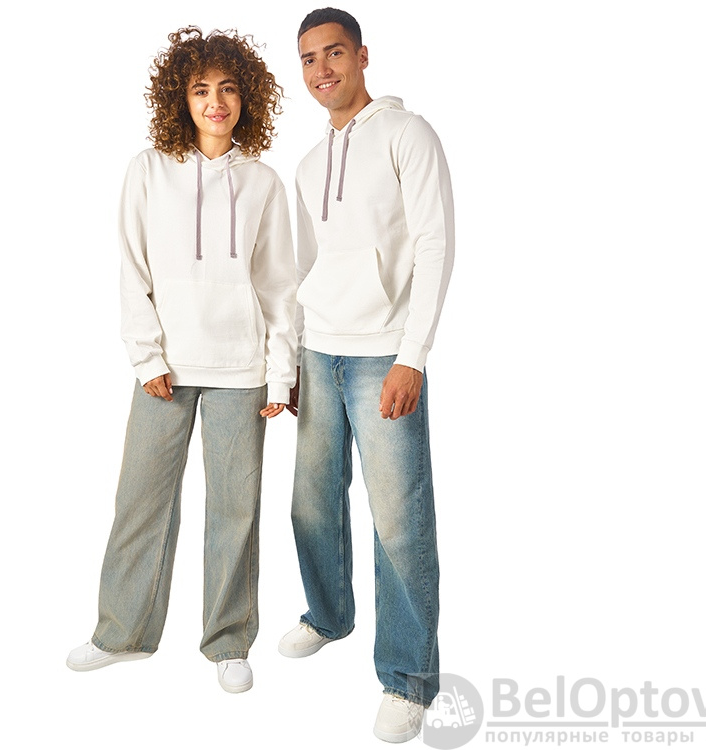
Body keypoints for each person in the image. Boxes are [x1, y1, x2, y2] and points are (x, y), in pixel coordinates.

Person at [66, 27, 297, 694]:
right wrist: (146, 357)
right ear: (181, 98)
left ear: (247, 98)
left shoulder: (262, 182)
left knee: (235, 511)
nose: (215, 102)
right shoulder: (148, 170)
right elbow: (131, 269)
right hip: (165, 368)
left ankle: (228, 641)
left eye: (227, 89)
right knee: (140, 502)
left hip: (240, 372)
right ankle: (122, 634)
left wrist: (279, 373)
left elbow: (279, 286)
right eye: (200, 90)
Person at [276, 7, 454, 742]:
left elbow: (436, 243)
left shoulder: (407, 134)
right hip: (319, 349)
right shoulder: (307, 164)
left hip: (383, 351)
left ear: (362, 55)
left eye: (334, 53)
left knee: (399, 522)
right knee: (312, 504)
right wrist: (291, 358)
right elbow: (300, 266)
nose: (323, 70)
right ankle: (329, 615)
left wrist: (412, 355)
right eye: (309, 59)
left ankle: (408, 678)